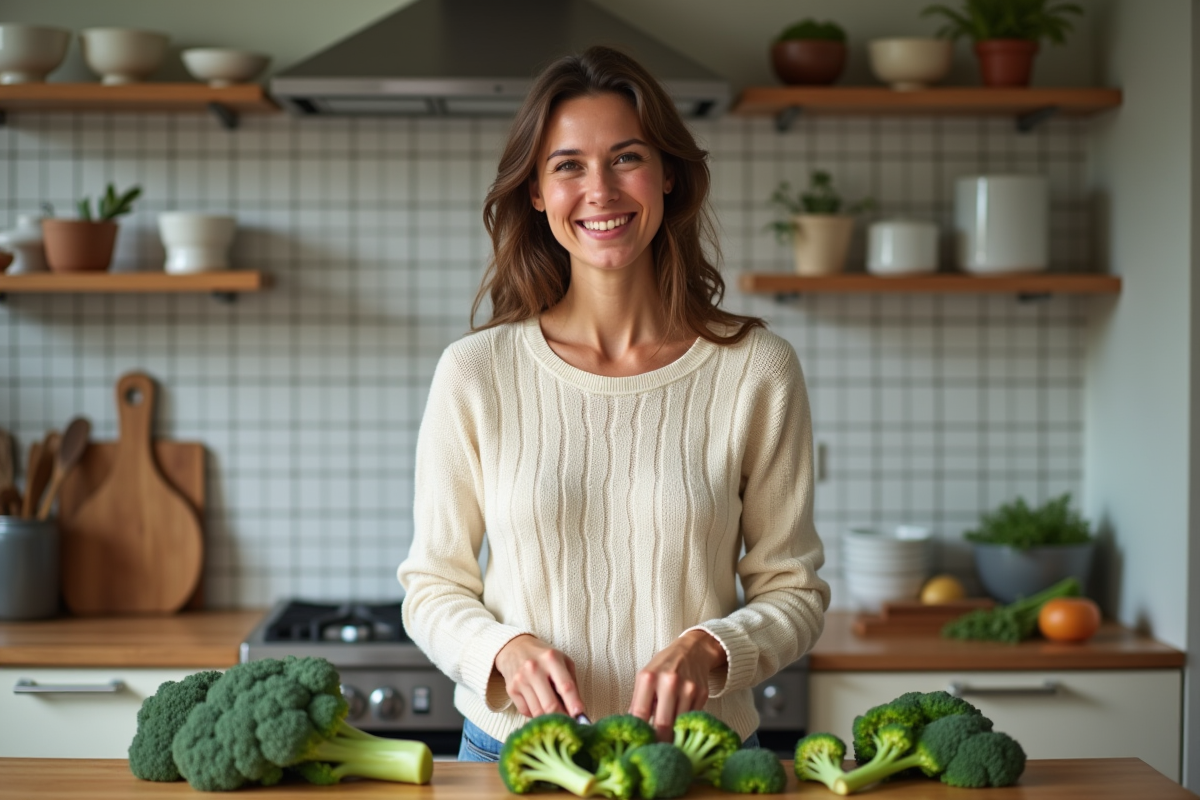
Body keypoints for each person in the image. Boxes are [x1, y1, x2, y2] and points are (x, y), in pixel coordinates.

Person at [396, 45, 829, 764]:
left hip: (699, 758)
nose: (600, 190)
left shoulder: (756, 370)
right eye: (568, 165)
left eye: (626, 157)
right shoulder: (475, 373)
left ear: (666, 175)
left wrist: (711, 648)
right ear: (536, 191)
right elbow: (432, 585)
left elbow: (795, 589)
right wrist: (502, 649)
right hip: (514, 758)